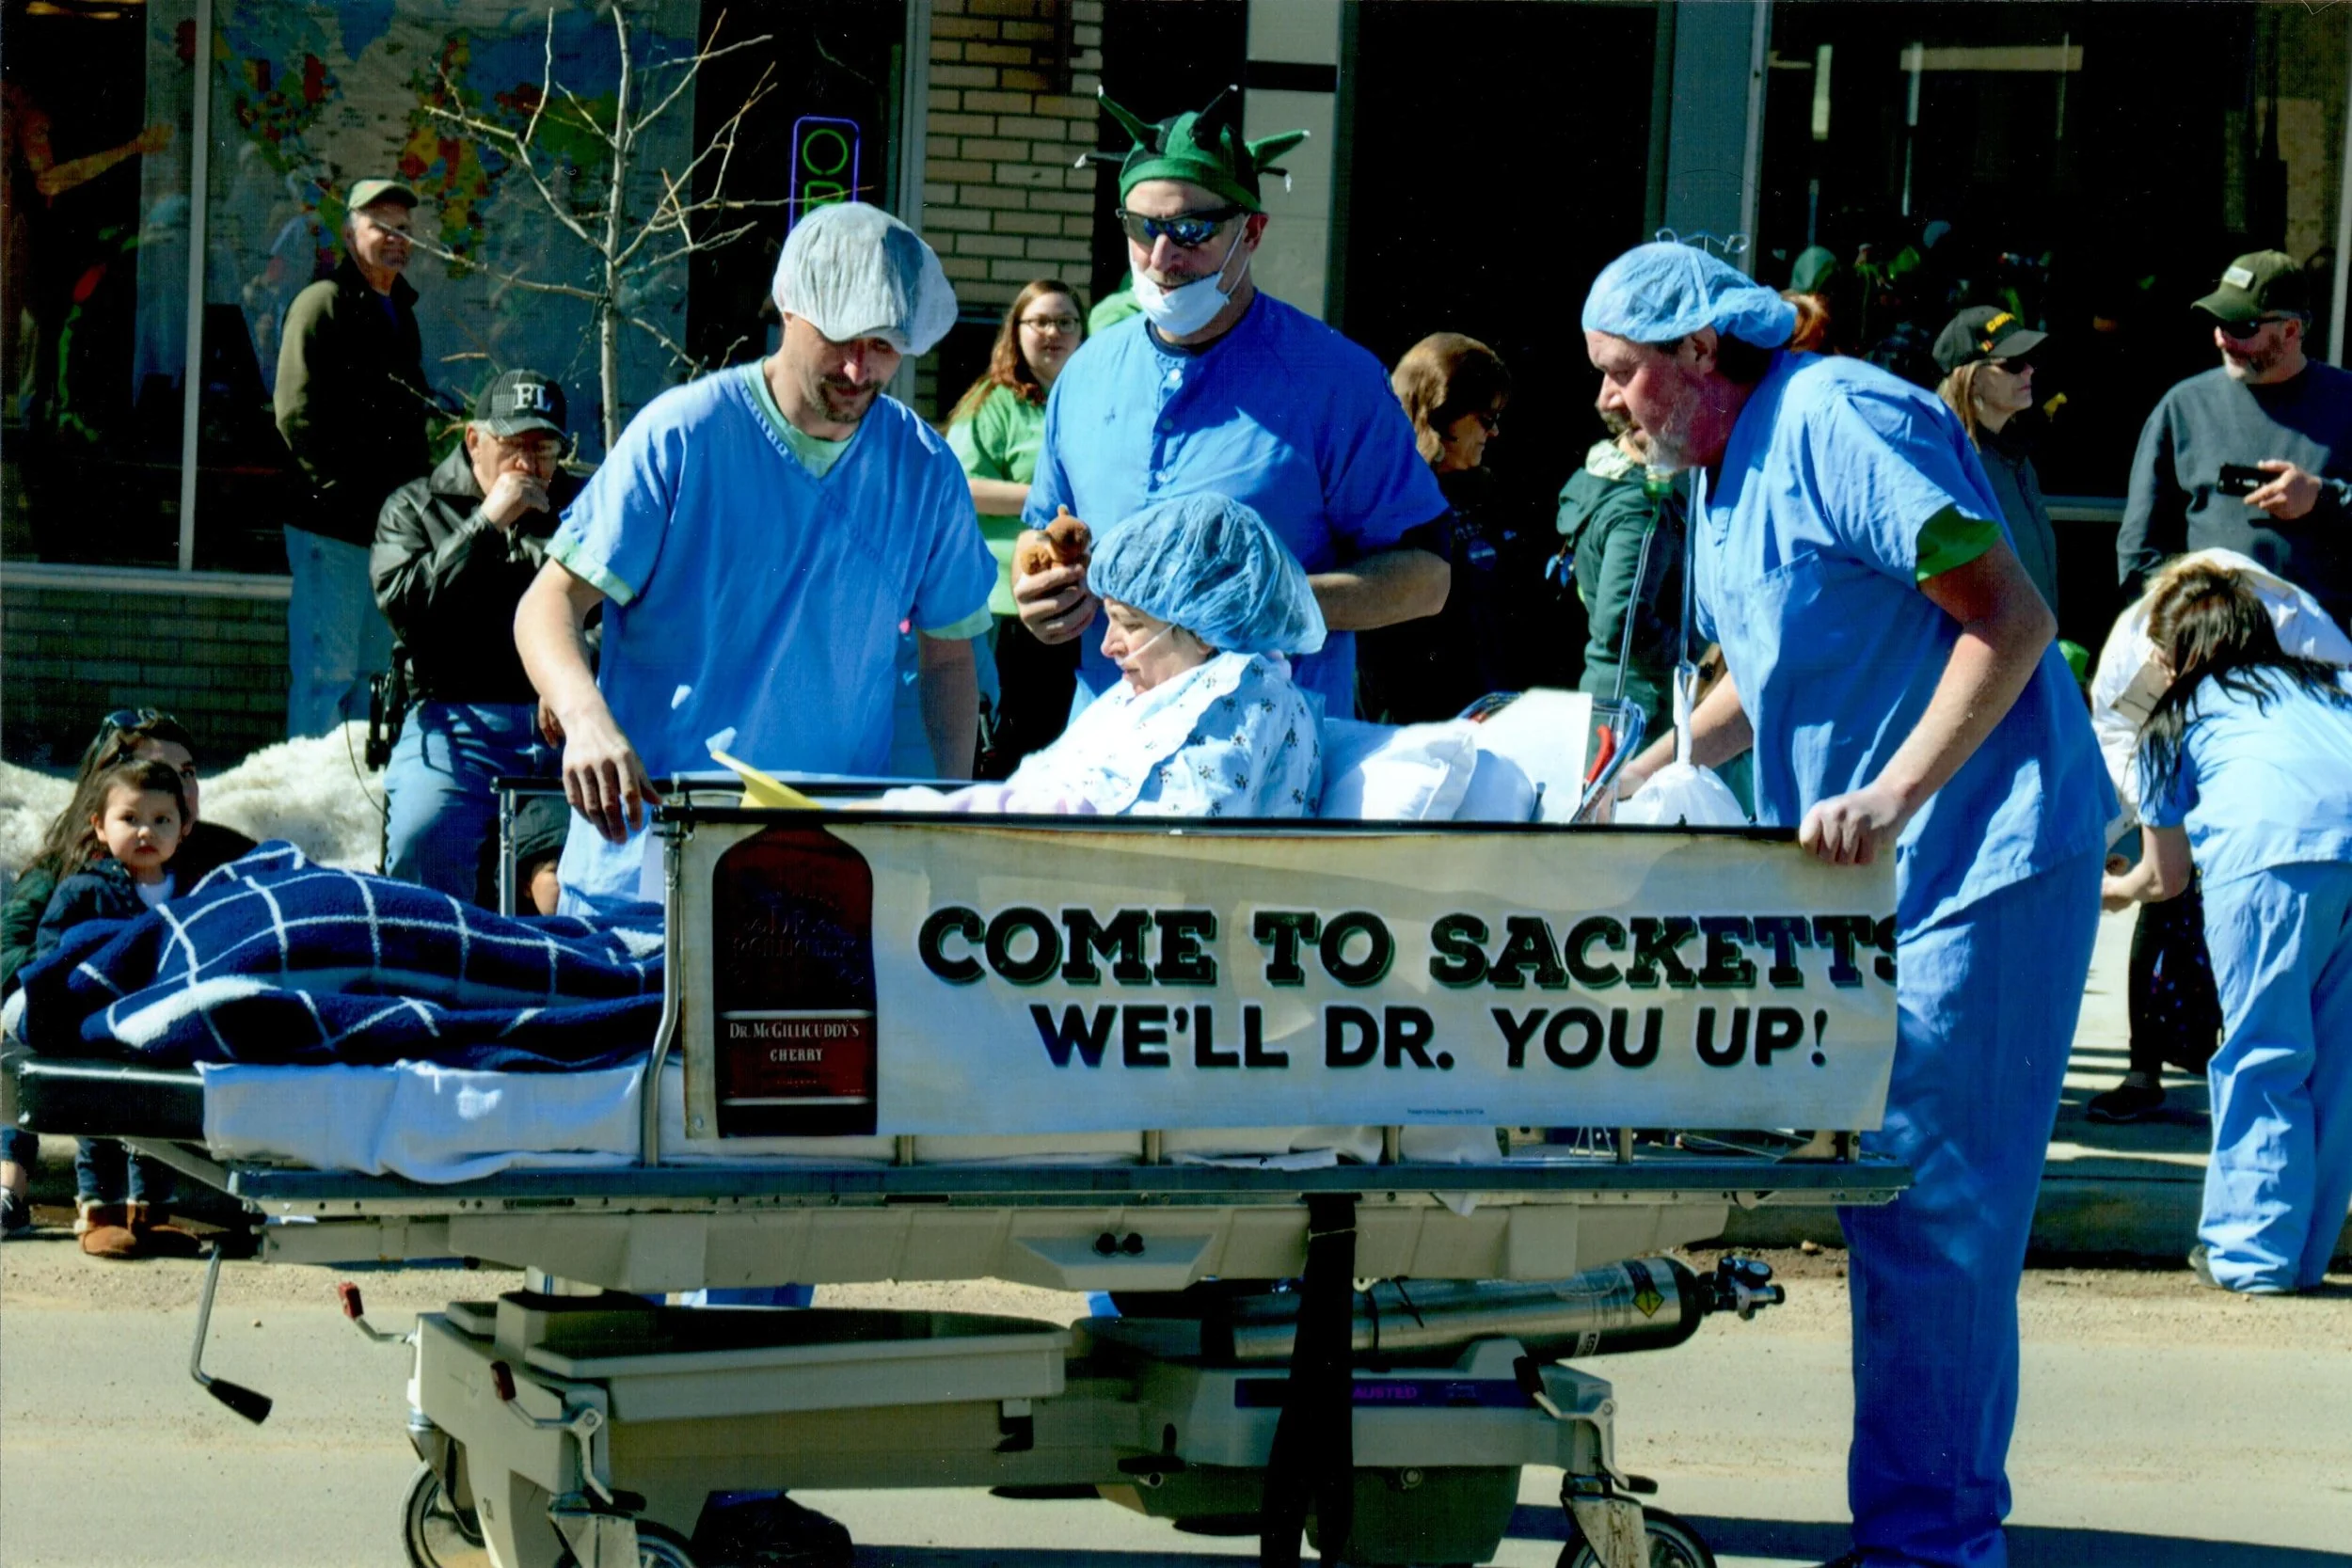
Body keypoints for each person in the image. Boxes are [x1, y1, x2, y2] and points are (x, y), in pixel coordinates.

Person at [1585, 242, 2113, 1568]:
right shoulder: (1722, 466)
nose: (1605, 400)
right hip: (1881, 881)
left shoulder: (1839, 419)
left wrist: (1894, 787)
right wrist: (1652, 763)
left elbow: (2012, 616)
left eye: (1621, 372)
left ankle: (1937, 1546)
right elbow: (1783, 658)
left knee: (1935, 1208)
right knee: (1894, 1200)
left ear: (1701, 351)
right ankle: (1919, 1526)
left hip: (1978, 861)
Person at [516, 201, 993, 917]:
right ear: (789, 308)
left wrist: (951, 818)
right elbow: (547, 604)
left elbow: (950, 659)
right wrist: (584, 717)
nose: (860, 368)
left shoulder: (922, 470)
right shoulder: (685, 434)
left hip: (820, 866)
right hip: (652, 858)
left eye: (886, 346)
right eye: (840, 338)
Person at [1014, 88, 1449, 726]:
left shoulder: (1335, 381)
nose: (1163, 258)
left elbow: (1427, 577)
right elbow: (1045, 529)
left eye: (1191, 230)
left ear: (1252, 231)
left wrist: (1279, 602)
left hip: (1265, 766)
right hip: (1107, 755)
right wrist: (1041, 593)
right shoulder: (1084, 376)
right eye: (1143, 228)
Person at [2099, 561, 2352, 1294]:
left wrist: (2115, 892)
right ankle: (2305, 1253)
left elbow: (2166, 876)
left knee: (2262, 1056)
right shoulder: (2329, 686)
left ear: (2180, 650)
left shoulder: (2173, 721)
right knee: (2337, 1069)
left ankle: (2252, 1256)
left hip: (2269, 864)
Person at [901, 494, 1325, 817]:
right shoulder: (1162, 689)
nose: (1108, 646)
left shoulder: (1243, 697)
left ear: (1203, 630)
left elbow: (1164, 825)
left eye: (1132, 624)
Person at [0, 710, 256, 1240]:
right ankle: (13, 1185)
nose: (176, 788)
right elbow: (10, 954)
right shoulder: (70, 871)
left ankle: (177, 1203)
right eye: (155, 770)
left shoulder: (213, 853)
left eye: (187, 773)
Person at [371, 368, 576, 903]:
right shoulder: (415, 506)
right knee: (423, 839)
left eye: (545, 449)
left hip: (562, 723)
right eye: (513, 446)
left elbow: (622, 613)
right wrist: (486, 524)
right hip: (453, 715)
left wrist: (572, 681)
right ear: (474, 440)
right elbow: (406, 609)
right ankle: (432, 976)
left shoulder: (582, 508)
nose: (528, 466)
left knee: (570, 876)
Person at [275, 177, 436, 738]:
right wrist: (343, 495)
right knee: (325, 679)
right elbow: (295, 415)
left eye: (405, 230)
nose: (397, 239)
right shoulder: (322, 304)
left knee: (372, 678)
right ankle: (310, 821)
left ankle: (356, 813)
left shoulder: (401, 312)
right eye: (381, 227)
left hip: (386, 538)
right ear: (349, 235)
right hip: (334, 532)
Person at [2118, 249, 2352, 631]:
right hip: (2209, 646)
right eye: (2218, 324)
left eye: (2241, 328)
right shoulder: (2184, 407)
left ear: (2291, 331)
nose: (2222, 340)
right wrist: (2176, 626)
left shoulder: (2345, 402)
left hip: (2320, 655)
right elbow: (2139, 546)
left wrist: (2320, 498)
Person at [26, 758, 204, 1260]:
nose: (146, 831)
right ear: (100, 827)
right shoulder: (86, 891)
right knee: (100, 1119)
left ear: (182, 828)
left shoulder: (190, 893)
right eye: (130, 819)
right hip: (99, 1025)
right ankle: (99, 1211)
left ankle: (149, 1215)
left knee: (158, 1118)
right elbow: (53, 950)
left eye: (162, 820)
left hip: (163, 1027)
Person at [1358, 332, 1549, 722]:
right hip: (1414, 727)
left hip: (1491, 713)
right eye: (1485, 418)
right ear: (1443, 411)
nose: (1493, 433)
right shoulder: (1383, 500)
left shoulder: (1486, 492)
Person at [944, 279, 1086, 774]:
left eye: (1066, 322)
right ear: (1016, 331)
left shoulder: (1088, 399)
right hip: (1009, 605)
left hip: (1080, 601)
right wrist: (1042, 500)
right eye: (1040, 321)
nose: (1054, 332)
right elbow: (958, 484)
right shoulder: (995, 402)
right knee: (1010, 743)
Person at [1557, 410, 1681, 746]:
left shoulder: (1602, 486)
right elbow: (1623, 621)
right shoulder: (1639, 509)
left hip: (1614, 703)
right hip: (1640, 716)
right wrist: (1692, 660)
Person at [1933, 307, 2061, 619]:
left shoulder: (2017, 458)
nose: (2029, 371)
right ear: (1972, 379)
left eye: (2030, 362)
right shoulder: (1951, 464)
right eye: (2014, 364)